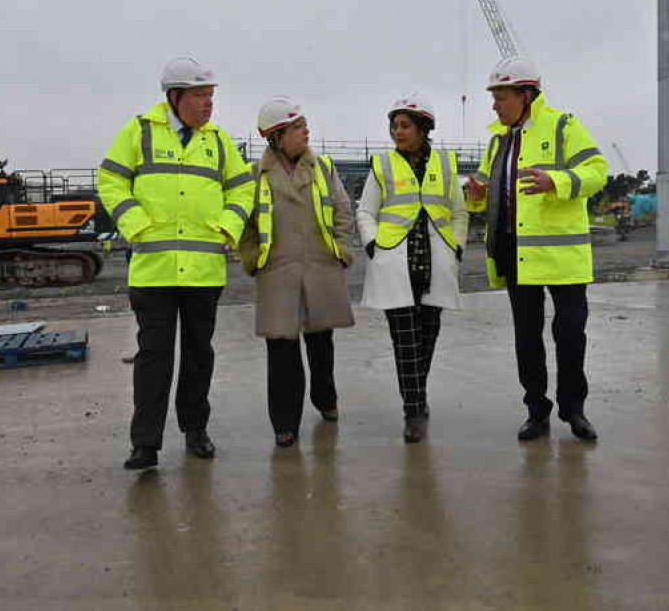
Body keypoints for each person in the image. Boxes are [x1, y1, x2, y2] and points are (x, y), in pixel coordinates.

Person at [97, 56, 256, 470]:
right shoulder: (139, 131)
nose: (209, 104)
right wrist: (136, 224)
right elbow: (110, 180)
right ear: (175, 96)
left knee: (199, 353)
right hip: (154, 269)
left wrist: (227, 228)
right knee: (154, 355)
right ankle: (145, 444)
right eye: (201, 95)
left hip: (203, 271)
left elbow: (244, 190)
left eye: (211, 96)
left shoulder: (219, 141)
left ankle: (195, 429)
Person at [466, 55, 608, 442]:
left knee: (570, 333)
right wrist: (475, 195)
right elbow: (480, 196)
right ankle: (536, 410)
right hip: (516, 253)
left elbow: (597, 172)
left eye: (501, 96)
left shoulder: (563, 126)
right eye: (494, 96)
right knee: (527, 338)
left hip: (563, 258)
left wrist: (556, 181)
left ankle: (574, 410)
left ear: (526, 95)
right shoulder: (498, 141)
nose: (494, 104)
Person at [238, 96, 355, 448]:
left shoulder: (323, 169)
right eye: (298, 127)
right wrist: (252, 258)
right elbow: (245, 225)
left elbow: (342, 211)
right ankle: (284, 423)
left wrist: (342, 250)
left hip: (320, 267)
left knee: (321, 345)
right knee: (281, 350)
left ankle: (326, 400)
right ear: (277, 136)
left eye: (304, 126)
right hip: (278, 272)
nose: (306, 132)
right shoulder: (254, 175)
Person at [357, 94, 467, 443]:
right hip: (394, 266)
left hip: (434, 267)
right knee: (404, 343)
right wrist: (373, 243)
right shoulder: (382, 165)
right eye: (394, 126)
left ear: (423, 129)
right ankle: (414, 410)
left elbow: (461, 213)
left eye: (405, 125)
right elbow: (365, 212)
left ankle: (415, 397)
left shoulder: (447, 165)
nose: (397, 132)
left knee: (426, 340)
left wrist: (459, 246)